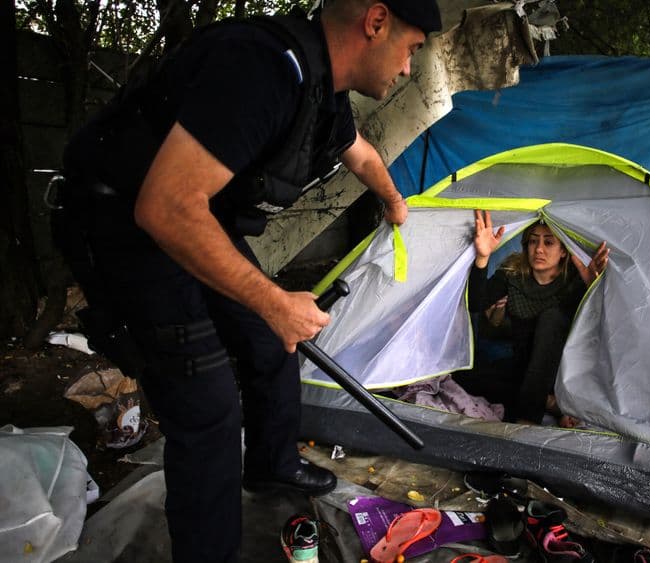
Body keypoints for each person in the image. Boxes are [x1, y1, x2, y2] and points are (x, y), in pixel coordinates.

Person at [55, 1, 442, 562]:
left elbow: (359, 155)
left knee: (270, 340)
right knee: (209, 410)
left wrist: (394, 202)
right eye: (411, 49)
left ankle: (271, 464)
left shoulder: (323, 90)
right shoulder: (260, 68)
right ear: (376, 22)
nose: (408, 68)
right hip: (128, 227)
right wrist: (275, 301)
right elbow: (165, 208)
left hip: (195, 215)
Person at [465, 210, 609, 427]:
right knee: (464, 377)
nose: (539, 249)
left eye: (548, 242)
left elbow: (597, 330)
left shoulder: (575, 280)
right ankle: (549, 403)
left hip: (561, 373)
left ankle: (529, 416)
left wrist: (592, 289)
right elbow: (476, 303)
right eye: (533, 241)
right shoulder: (512, 274)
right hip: (522, 368)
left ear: (563, 251)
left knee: (552, 317)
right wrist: (483, 257)